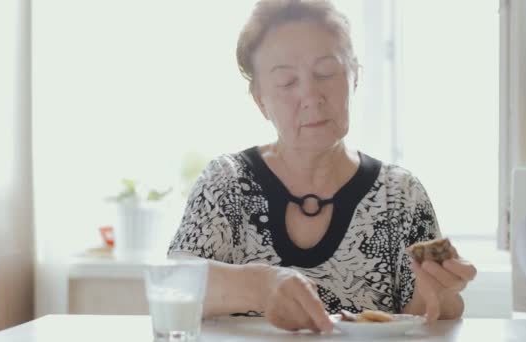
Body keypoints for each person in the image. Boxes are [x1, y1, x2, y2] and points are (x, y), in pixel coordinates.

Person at [168, 0, 476, 333]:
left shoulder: (400, 194)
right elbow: (175, 284)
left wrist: (442, 299)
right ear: (260, 100)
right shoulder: (226, 181)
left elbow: (415, 321)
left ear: (354, 75)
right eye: (287, 82)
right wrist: (261, 285)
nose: (311, 95)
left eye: (326, 72)